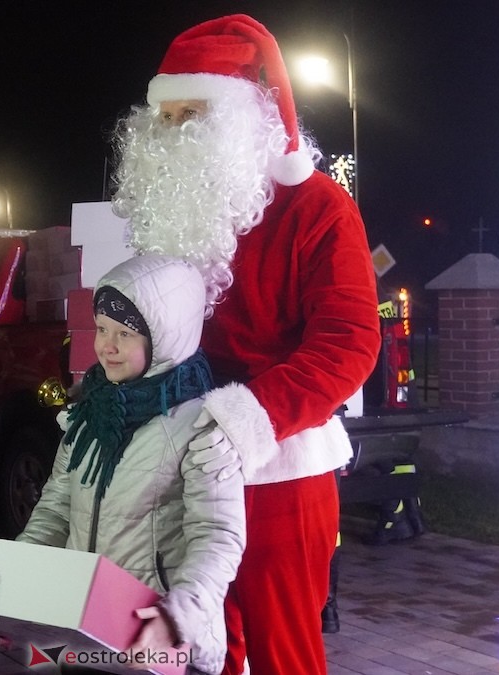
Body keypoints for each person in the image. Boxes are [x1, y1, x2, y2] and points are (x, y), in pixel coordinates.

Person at [110, 15, 381, 674]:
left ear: (246, 117)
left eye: (192, 114)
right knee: (200, 647)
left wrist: (244, 420)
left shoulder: (317, 207)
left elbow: (348, 341)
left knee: (282, 647)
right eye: (165, 116)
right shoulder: (171, 212)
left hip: (278, 468)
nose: (174, 133)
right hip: (179, 468)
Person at [11, 255, 246, 675]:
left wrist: (176, 618)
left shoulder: (204, 426)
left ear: (164, 338)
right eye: (102, 329)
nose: (108, 346)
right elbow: (54, 511)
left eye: (125, 333)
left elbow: (218, 536)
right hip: (84, 633)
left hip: (158, 643)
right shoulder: (88, 415)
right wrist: (13, 596)